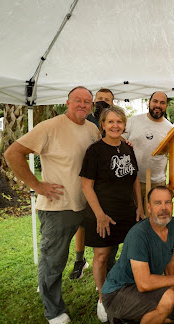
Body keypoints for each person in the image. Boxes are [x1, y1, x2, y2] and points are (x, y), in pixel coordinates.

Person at [4, 86, 101, 324]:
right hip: (59, 207)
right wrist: (36, 185)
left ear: (91, 106)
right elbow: (13, 152)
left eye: (87, 101)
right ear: (67, 102)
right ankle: (53, 310)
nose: (82, 105)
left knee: (103, 253)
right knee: (53, 261)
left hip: (89, 204)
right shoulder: (50, 126)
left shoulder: (92, 129)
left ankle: (106, 298)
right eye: (77, 100)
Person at [101, 186, 174, 324]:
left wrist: (171, 290)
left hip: (140, 289)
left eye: (168, 202)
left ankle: (127, 320)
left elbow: (170, 258)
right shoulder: (138, 234)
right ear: (149, 208)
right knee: (167, 300)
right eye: (158, 203)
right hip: (117, 293)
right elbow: (144, 283)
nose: (164, 208)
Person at [80, 106, 144, 322]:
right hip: (102, 213)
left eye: (119, 121)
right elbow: (86, 186)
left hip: (127, 211)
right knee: (101, 256)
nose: (115, 125)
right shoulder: (95, 151)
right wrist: (99, 214)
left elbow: (135, 178)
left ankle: (126, 292)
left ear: (124, 125)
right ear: (103, 125)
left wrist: (140, 206)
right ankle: (103, 298)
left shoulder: (127, 148)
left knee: (130, 254)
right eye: (111, 122)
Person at [70, 88, 116, 280]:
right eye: (100, 99)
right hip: (83, 181)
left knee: (107, 222)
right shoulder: (84, 121)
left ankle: (109, 262)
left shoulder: (113, 122)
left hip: (104, 185)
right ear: (93, 101)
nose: (103, 102)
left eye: (108, 100)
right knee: (82, 225)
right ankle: (80, 260)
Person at [122, 91, 174, 215]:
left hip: (158, 182)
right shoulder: (132, 121)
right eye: (155, 101)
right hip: (133, 181)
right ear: (149, 103)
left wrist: (172, 184)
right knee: (133, 219)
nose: (158, 105)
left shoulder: (170, 129)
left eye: (162, 103)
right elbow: (119, 141)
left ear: (166, 106)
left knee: (156, 220)